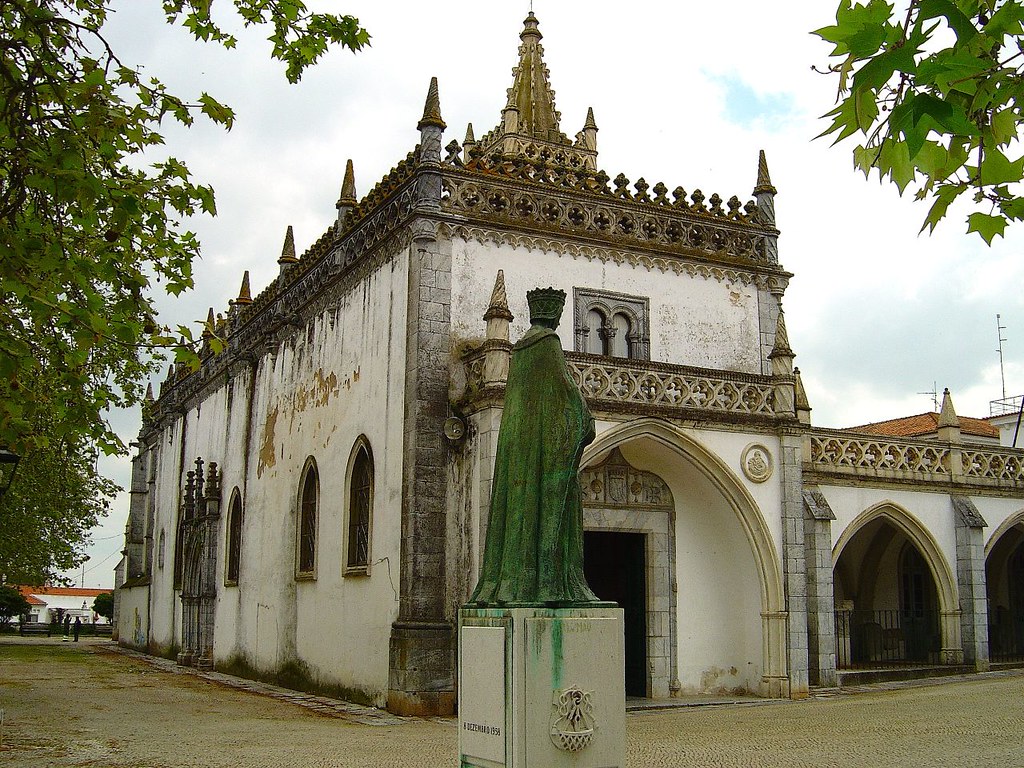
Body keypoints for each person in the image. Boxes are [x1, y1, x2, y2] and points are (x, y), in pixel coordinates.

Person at [469, 287, 601, 606]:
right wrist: (584, 417)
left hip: (523, 451)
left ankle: (511, 584)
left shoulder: (521, 351)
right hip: (546, 453)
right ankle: (550, 586)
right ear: (554, 314)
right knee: (557, 510)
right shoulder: (548, 342)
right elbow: (566, 391)